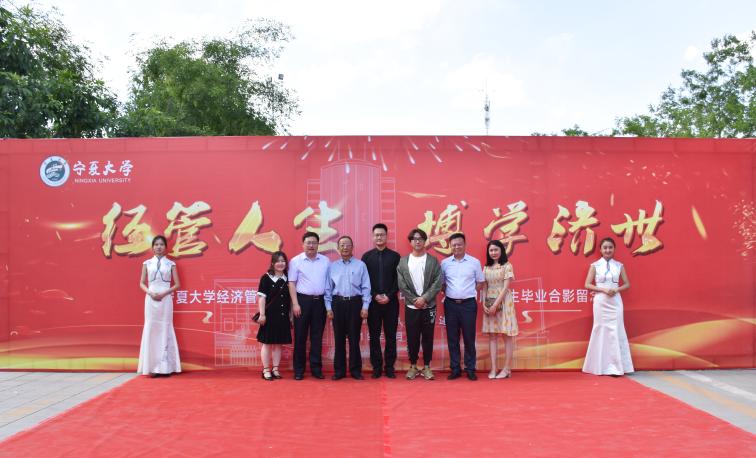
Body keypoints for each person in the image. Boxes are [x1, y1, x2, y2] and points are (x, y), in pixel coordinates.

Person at [582, 237, 635, 376]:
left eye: (610, 247)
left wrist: (616, 289)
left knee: (616, 330)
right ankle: (599, 366)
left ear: (614, 249)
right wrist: (603, 290)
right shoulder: (595, 265)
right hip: (601, 301)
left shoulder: (619, 265)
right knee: (600, 329)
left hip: (615, 301)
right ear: (600, 249)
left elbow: (627, 284)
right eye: (605, 247)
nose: (608, 250)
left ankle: (616, 367)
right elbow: (587, 284)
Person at [397, 228, 444, 381]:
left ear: (425, 241)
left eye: (420, 239)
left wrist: (424, 298)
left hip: (428, 306)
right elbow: (402, 285)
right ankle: (412, 366)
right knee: (412, 337)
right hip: (411, 307)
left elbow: (438, 282)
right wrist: (414, 300)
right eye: (414, 239)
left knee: (428, 337)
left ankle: (427, 366)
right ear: (410, 242)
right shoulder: (403, 262)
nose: (417, 241)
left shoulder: (432, 261)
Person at [325, 236, 371, 380]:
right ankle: (339, 371)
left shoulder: (360, 265)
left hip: (355, 303)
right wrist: (328, 308)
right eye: (342, 245)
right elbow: (328, 289)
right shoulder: (332, 266)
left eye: (348, 245)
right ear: (338, 248)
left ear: (352, 247)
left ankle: (355, 370)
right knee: (338, 339)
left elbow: (366, 287)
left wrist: (365, 306)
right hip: (337, 303)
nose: (345, 247)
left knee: (354, 338)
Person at [441, 233, 485, 381]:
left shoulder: (474, 262)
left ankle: (470, 368)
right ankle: (455, 369)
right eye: (454, 245)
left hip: (468, 305)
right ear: (450, 246)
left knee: (469, 337)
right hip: (450, 304)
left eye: (459, 244)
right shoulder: (445, 263)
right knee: (452, 338)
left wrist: (468, 292)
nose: (457, 247)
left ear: (465, 245)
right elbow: (442, 284)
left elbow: (480, 282)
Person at [137, 235, 182, 377]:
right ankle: (151, 367)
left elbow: (177, 284)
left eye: (161, 244)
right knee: (151, 327)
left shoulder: (171, 264)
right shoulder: (146, 263)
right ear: (152, 247)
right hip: (150, 299)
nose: (158, 247)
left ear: (166, 247)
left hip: (165, 299)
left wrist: (164, 293)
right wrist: (150, 292)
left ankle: (165, 367)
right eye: (156, 244)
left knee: (165, 327)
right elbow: (141, 283)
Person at [288, 232, 330, 380]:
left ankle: (316, 369)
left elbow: (329, 283)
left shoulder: (325, 261)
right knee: (300, 337)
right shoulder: (296, 261)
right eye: (308, 242)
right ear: (303, 244)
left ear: (318, 244)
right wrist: (295, 304)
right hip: (302, 302)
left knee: (317, 337)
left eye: (314, 242)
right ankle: (299, 370)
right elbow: (291, 283)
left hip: (320, 302)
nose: (311, 245)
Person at [361, 223, 401, 378]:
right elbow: (364, 280)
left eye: (382, 234)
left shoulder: (395, 256)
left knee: (391, 336)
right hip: (373, 303)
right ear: (373, 237)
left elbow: (399, 280)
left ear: (386, 236)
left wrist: (389, 296)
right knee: (374, 336)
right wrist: (374, 295)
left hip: (391, 303)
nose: (379, 237)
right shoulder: (366, 257)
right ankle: (376, 367)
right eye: (376, 235)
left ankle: (389, 367)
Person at [481, 240, 517, 379]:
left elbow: (506, 287)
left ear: (501, 250)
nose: (493, 252)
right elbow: (485, 286)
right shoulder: (486, 267)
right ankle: (494, 368)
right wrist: (484, 303)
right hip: (489, 302)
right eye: (491, 250)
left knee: (506, 336)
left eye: (496, 250)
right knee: (492, 336)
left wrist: (496, 304)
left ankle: (507, 369)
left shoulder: (507, 266)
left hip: (504, 302)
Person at [256, 251, 292, 381]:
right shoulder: (266, 278)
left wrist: (291, 316)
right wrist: (262, 314)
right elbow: (262, 298)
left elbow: (291, 300)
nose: (281, 263)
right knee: (266, 343)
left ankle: (275, 369)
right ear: (272, 263)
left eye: (283, 261)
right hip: (269, 316)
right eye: (278, 261)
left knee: (278, 344)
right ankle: (266, 369)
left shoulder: (288, 278)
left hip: (283, 316)